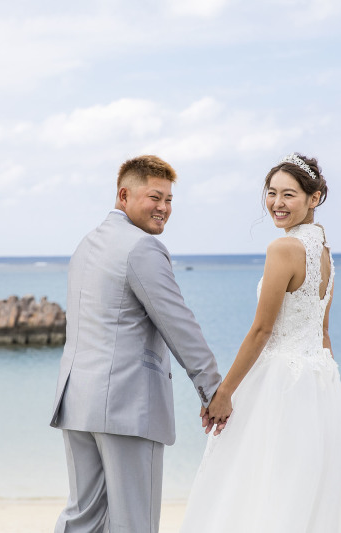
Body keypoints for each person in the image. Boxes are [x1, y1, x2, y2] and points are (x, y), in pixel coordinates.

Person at [50, 155, 230, 533]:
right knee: (135, 524)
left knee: (82, 518)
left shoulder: (86, 244)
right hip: (126, 406)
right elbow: (178, 323)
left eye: (168, 200)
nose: (163, 208)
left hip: (78, 401)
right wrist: (214, 389)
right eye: (154, 197)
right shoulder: (141, 248)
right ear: (124, 195)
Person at [181, 153, 341, 532]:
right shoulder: (325, 254)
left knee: (254, 488)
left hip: (280, 385)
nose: (277, 203)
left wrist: (224, 392)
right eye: (272, 193)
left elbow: (262, 331)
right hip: (320, 385)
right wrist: (329, 400)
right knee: (298, 491)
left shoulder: (284, 249)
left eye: (289, 194)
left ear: (315, 198)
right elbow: (323, 334)